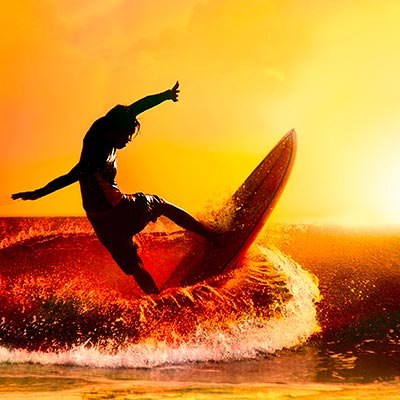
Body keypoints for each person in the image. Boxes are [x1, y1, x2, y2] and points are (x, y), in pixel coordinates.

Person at [11, 82, 217, 295]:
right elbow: (71, 176)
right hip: (119, 210)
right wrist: (40, 192)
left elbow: (137, 107)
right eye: (127, 134)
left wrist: (165, 96)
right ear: (115, 132)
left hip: (100, 222)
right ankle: (213, 237)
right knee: (160, 204)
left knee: (134, 268)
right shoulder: (97, 156)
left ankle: (157, 300)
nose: (129, 139)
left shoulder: (108, 126)